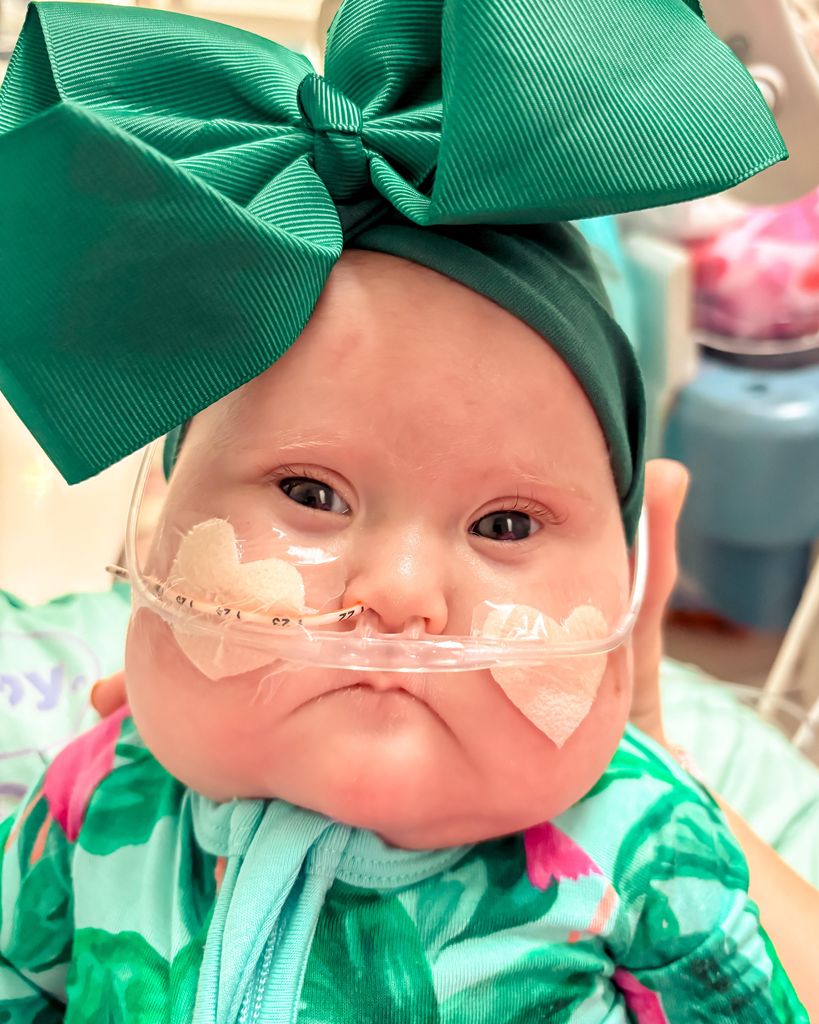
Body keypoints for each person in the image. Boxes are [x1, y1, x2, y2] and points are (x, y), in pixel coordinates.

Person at [0, 0, 808, 1021]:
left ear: (631, 588)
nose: (398, 594)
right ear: (153, 548)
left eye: (505, 525)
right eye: (310, 494)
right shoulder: (92, 801)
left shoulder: (649, 851)